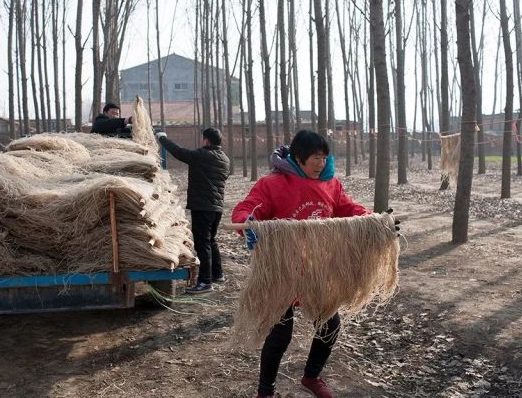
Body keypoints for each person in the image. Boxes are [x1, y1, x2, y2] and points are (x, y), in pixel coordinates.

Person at [231, 130, 370, 398]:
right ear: (298, 157)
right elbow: (247, 209)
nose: (321, 163)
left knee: (330, 326)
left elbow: (350, 210)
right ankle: (266, 391)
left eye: (324, 157)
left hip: (318, 270)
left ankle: (312, 376)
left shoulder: (331, 184)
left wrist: (376, 221)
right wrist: (248, 222)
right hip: (283, 271)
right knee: (280, 334)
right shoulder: (273, 184)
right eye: (315, 157)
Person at [155, 127, 230, 294]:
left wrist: (162, 139)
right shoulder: (225, 159)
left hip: (202, 206)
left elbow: (179, 152)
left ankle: (205, 282)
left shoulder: (202, 155)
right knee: (211, 240)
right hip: (217, 207)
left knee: (203, 243)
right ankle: (217, 274)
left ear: (207, 140)